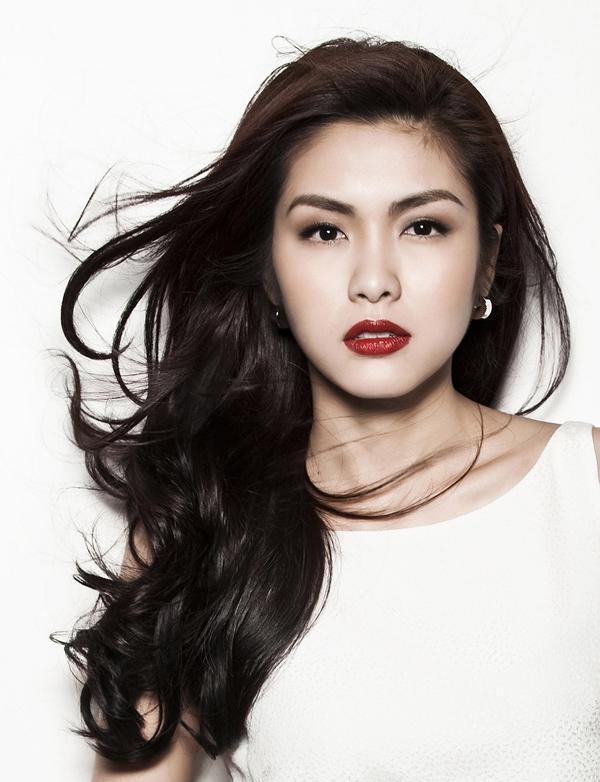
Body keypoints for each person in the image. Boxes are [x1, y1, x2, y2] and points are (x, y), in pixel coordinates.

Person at [52, 34, 600, 781]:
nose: (374, 279)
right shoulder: (211, 535)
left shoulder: (585, 489)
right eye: (325, 231)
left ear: (487, 262)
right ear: (270, 275)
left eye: (424, 226)